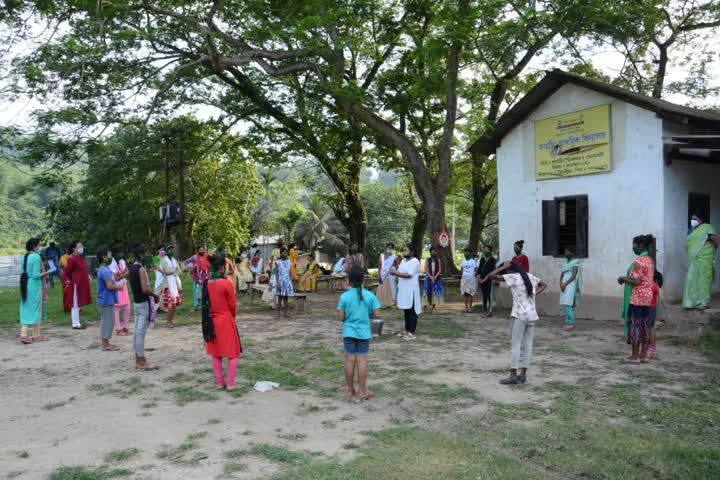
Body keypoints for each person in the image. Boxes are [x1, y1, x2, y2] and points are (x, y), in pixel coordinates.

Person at [483, 260, 547, 385]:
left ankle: (513, 375)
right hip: (532, 315)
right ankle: (523, 375)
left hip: (519, 315)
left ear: (509, 269)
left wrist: (502, 268)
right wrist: (533, 294)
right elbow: (544, 284)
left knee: (516, 345)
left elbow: (490, 276)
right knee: (528, 345)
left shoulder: (513, 277)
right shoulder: (529, 276)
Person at [338, 266, 381, 399]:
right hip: (364, 334)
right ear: (363, 280)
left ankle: (350, 390)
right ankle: (362, 391)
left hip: (348, 333)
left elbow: (341, 317)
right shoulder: (369, 296)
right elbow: (377, 314)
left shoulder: (344, 296)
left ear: (348, 280)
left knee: (349, 361)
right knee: (362, 361)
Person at [202, 254, 242, 391]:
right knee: (233, 353)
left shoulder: (206, 284)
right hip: (226, 320)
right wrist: (233, 316)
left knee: (216, 354)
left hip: (211, 322)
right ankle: (230, 384)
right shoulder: (227, 284)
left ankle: (220, 383)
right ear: (222, 268)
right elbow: (232, 305)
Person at [618, 234, 655, 363]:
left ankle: (635, 355)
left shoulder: (638, 262)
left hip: (637, 299)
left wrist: (623, 279)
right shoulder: (649, 260)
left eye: (634, 245)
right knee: (645, 326)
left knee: (635, 326)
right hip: (647, 298)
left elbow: (637, 281)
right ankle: (643, 355)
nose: (633, 247)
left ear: (639, 246)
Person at [129, 242, 160, 370]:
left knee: (137, 331)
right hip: (143, 303)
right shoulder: (141, 269)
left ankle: (138, 358)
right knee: (141, 332)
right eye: (146, 253)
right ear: (141, 254)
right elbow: (144, 289)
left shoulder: (132, 268)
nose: (148, 256)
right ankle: (141, 360)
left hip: (136, 303)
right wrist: (154, 295)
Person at [682, 213, 719, 310]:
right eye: (691, 218)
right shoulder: (690, 231)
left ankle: (703, 303)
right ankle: (689, 303)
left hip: (705, 259)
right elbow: (690, 245)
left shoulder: (707, 228)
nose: (692, 220)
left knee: (704, 280)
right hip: (693, 259)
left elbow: (716, 240)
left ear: (701, 221)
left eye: (695, 219)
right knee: (691, 280)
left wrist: (711, 250)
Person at [19, 238, 50, 344]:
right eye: (39, 245)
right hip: (34, 286)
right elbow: (36, 275)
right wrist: (47, 272)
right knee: (37, 308)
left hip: (25, 284)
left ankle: (26, 334)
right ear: (34, 246)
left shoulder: (23, 257)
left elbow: (25, 272)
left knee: (26, 307)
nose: (40, 247)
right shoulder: (36, 257)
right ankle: (34, 335)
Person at [390, 243, 422, 340]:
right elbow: (399, 271)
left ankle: (411, 331)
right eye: (403, 250)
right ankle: (406, 330)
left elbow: (409, 274)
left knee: (412, 310)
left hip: (411, 289)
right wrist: (395, 273)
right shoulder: (403, 260)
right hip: (403, 289)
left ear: (412, 252)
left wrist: (396, 273)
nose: (404, 252)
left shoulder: (415, 261)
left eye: (406, 250)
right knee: (406, 309)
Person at [96, 247, 124, 351]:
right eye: (109, 255)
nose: (111, 258)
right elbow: (109, 286)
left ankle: (106, 342)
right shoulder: (105, 271)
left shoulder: (103, 269)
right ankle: (105, 344)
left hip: (106, 300)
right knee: (108, 321)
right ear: (103, 257)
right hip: (106, 300)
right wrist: (119, 287)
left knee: (108, 321)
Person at [63, 240, 91, 330]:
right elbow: (67, 272)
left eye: (81, 246)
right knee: (75, 304)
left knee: (78, 304)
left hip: (82, 284)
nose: (81, 248)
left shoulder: (80, 257)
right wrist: (69, 281)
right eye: (79, 247)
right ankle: (75, 324)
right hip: (75, 284)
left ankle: (77, 323)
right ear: (74, 248)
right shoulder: (71, 258)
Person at [157, 242, 183, 327]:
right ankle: (168, 321)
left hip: (175, 284)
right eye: (170, 250)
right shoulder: (164, 260)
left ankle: (171, 319)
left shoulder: (174, 260)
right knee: (170, 304)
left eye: (172, 250)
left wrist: (174, 270)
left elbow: (179, 271)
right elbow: (167, 271)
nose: (171, 251)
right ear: (166, 251)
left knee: (174, 304)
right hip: (168, 285)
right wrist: (174, 270)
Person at [109, 244, 131, 336]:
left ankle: (125, 326)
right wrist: (124, 274)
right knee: (117, 307)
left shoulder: (122, 261)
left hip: (123, 284)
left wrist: (123, 273)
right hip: (116, 286)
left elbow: (126, 271)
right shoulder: (111, 262)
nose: (121, 254)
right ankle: (118, 328)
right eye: (119, 252)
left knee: (127, 306)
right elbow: (116, 277)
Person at [559, 248, 582, 331]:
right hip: (564, 284)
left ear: (572, 253)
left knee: (568, 303)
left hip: (571, 284)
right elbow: (562, 274)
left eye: (567, 252)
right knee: (565, 303)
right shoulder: (565, 262)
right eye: (565, 252)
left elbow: (573, 276)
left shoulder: (575, 262)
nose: (566, 253)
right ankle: (568, 322)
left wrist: (565, 284)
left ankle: (571, 323)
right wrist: (560, 283)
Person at [184, 246, 210, 311]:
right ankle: (196, 306)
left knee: (205, 291)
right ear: (198, 251)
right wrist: (189, 268)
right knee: (196, 291)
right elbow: (186, 262)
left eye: (202, 250)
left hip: (206, 277)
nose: (201, 251)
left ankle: (204, 305)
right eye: (200, 250)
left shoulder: (207, 257)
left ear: (204, 250)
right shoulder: (195, 257)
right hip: (197, 278)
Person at [477, 244, 496, 318]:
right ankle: (484, 311)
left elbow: (492, 271)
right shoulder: (482, 259)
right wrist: (479, 278)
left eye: (487, 250)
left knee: (489, 296)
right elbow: (479, 269)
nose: (485, 251)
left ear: (490, 251)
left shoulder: (492, 260)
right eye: (485, 249)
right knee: (484, 295)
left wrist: (485, 279)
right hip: (482, 279)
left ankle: (490, 311)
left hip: (489, 280)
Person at [275, 248, 295, 318]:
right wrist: (277, 283)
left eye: (286, 253)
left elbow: (290, 273)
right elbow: (276, 273)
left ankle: (286, 313)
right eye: (283, 253)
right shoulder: (278, 262)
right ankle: (278, 313)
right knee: (280, 299)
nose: (285, 254)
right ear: (281, 254)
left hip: (287, 282)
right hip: (280, 282)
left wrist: (291, 282)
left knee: (286, 299)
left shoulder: (289, 262)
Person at [423, 247, 444, 313]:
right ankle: (425, 307)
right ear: (430, 252)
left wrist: (435, 277)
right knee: (426, 292)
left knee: (435, 291)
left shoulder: (438, 260)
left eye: (434, 251)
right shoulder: (427, 260)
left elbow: (440, 270)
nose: (433, 253)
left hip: (437, 278)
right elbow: (426, 270)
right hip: (428, 278)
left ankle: (433, 307)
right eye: (432, 252)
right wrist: (431, 277)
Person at [376, 243, 397, 307]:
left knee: (391, 288)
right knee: (381, 288)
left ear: (393, 249)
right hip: (383, 274)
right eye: (388, 247)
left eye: (391, 248)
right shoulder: (381, 256)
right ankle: (381, 302)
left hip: (391, 274)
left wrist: (397, 276)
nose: (389, 249)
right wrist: (379, 274)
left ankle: (390, 302)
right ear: (386, 248)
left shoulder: (395, 257)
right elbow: (379, 266)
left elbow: (397, 267)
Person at [649, 270, 663, 358]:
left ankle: (651, 347)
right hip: (652, 308)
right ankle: (652, 347)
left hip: (649, 308)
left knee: (649, 328)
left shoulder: (652, 286)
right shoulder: (655, 286)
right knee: (651, 327)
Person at [460, 247, 479, 313]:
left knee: (470, 293)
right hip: (464, 278)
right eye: (465, 252)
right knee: (465, 293)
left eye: (467, 252)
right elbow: (462, 269)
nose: (466, 254)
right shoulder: (463, 262)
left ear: (470, 253)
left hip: (471, 278)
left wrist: (473, 275)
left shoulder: (473, 262)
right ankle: (466, 307)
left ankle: (470, 307)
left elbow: (476, 270)